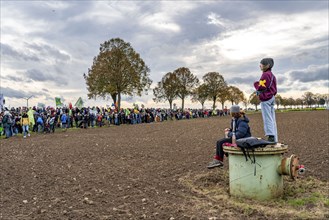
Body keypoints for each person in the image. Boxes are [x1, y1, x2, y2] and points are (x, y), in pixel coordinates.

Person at [254, 58, 278, 142]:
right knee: (272, 118)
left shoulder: (265, 75)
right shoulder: (273, 76)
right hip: (271, 97)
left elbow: (261, 87)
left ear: (267, 65)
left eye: (261, 64)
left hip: (266, 98)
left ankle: (270, 136)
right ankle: (275, 138)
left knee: (267, 117)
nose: (260, 65)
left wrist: (256, 84)